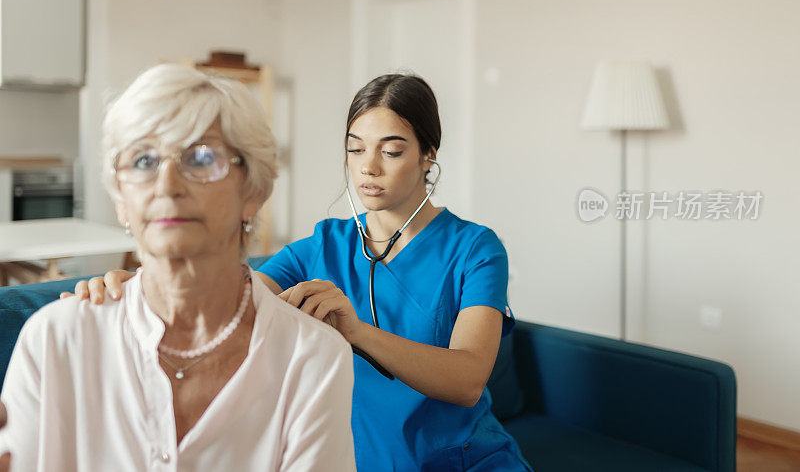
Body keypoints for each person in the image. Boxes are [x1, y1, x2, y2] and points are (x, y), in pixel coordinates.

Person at [69, 73, 532, 471]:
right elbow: (222, 292)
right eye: (356, 150)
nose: (367, 167)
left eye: (391, 151)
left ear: (428, 155)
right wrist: (126, 286)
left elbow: (468, 380)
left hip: (467, 461)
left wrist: (356, 331)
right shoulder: (324, 245)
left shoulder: (476, 249)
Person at [1, 64, 356, 471]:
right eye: (143, 160)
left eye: (202, 158)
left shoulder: (312, 357)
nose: (167, 184)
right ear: (121, 200)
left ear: (253, 191)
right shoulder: (56, 339)